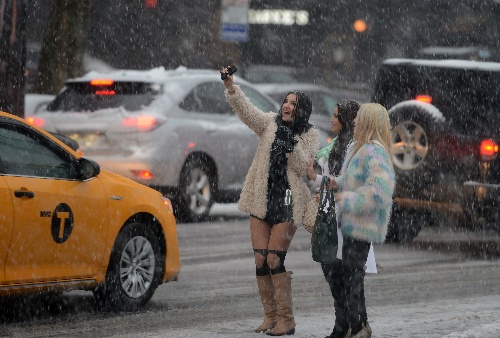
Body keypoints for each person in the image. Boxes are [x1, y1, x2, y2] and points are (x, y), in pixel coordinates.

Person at [221, 66, 320, 336]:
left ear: (301, 110)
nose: (287, 106)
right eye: (286, 102)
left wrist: (292, 143)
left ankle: (287, 320)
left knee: (275, 259)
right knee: (260, 259)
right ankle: (270, 317)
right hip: (262, 197)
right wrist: (231, 87)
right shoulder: (269, 123)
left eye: (293, 104)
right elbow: (247, 111)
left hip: (288, 200)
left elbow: (303, 169)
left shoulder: (310, 135)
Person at [307, 99, 377, 338]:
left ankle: (355, 326)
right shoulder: (334, 146)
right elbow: (334, 180)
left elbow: (349, 182)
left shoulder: (358, 149)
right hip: (330, 217)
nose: (332, 119)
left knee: (350, 275)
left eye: (336, 115)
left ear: (346, 119)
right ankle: (345, 323)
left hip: (350, 218)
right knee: (332, 271)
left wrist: (325, 185)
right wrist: (316, 180)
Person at [333, 103, 396, 338]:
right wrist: (335, 184)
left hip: (363, 224)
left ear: (369, 122)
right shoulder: (361, 149)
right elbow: (353, 180)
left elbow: (380, 190)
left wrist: (349, 199)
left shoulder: (373, 151)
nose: (355, 122)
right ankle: (358, 325)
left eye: (359, 118)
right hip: (353, 223)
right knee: (349, 274)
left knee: (352, 275)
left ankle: (359, 327)